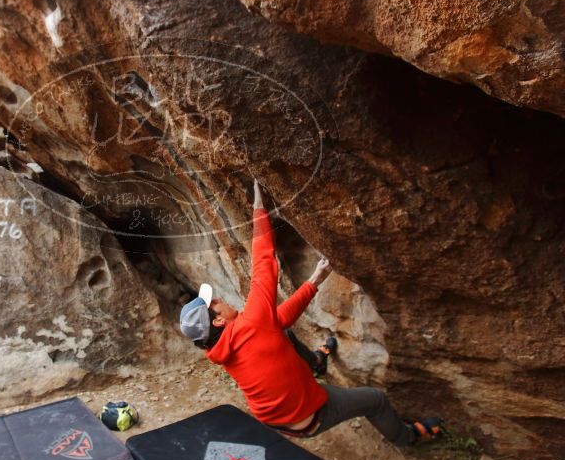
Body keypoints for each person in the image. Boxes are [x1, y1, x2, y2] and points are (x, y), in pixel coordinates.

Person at [179, 180, 441, 444]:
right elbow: (263, 263)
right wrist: (259, 208)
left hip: (273, 419)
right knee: (376, 400)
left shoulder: (220, 348)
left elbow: (280, 319)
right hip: (309, 416)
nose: (220, 298)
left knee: (284, 331)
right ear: (220, 319)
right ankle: (410, 437)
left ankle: (317, 363)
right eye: (214, 303)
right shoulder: (253, 323)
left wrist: (314, 280)